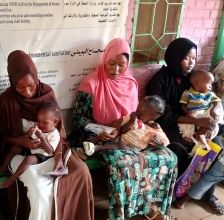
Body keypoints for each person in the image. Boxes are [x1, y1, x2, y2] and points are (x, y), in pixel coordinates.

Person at [71, 38, 177, 219]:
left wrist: (151, 133)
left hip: (131, 134)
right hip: (104, 136)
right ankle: (120, 212)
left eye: (121, 65)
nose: (116, 70)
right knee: (123, 163)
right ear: (105, 59)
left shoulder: (130, 83)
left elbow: (138, 115)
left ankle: (150, 208)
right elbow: (78, 119)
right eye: (111, 63)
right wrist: (102, 130)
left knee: (167, 156)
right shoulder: (91, 83)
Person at [0, 50, 94, 220]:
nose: (27, 91)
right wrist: (22, 142)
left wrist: (59, 157)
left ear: (36, 77)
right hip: (22, 153)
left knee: (81, 172)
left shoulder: (47, 94)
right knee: (39, 189)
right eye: (20, 87)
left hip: (53, 149)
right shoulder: (6, 102)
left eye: (31, 85)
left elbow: (59, 134)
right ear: (11, 82)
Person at [146, 37, 224, 215]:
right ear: (175, 57)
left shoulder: (195, 78)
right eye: (186, 58)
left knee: (216, 148)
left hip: (197, 124)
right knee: (181, 149)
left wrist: (209, 121)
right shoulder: (159, 81)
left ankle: (206, 193)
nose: (191, 63)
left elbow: (210, 100)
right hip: (168, 126)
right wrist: (196, 122)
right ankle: (171, 196)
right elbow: (162, 116)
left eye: (194, 58)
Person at [0, 101, 61, 188]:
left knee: (28, 159)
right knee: (16, 148)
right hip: (32, 149)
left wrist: (42, 138)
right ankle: (3, 167)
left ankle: (12, 178)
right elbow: (28, 138)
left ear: (55, 122)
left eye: (45, 122)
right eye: (38, 121)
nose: (40, 125)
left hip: (43, 155)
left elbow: (50, 151)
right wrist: (28, 134)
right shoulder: (38, 127)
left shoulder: (54, 134)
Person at [83, 95, 169, 155]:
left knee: (122, 147)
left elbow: (165, 142)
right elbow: (122, 130)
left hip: (132, 147)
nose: (137, 113)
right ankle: (86, 146)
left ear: (152, 117)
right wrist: (131, 121)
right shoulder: (133, 118)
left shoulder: (155, 127)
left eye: (141, 113)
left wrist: (160, 143)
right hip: (120, 138)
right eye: (137, 109)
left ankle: (96, 148)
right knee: (104, 133)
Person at [178, 69, 222, 142]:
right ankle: (190, 137)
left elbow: (217, 101)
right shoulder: (187, 93)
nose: (211, 87)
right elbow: (182, 105)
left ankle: (207, 136)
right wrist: (187, 112)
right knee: (185, 125)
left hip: (206, 112)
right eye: (209, 84)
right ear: (197, 84)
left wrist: (213, 109)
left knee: (214, 125)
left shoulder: (210, 94)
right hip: (193, 114)